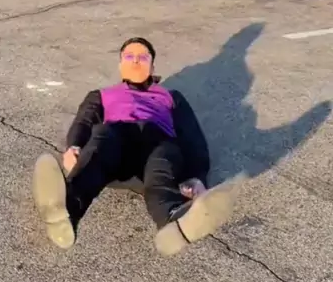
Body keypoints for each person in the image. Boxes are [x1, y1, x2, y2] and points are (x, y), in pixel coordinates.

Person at [33, 37, 240, 255]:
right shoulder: (101, 94)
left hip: (157, 145)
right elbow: (84, 121)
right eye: (129, 56)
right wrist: (74, 146)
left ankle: (174, 220)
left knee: (165, 156)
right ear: (120, 65)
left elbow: (192, 135)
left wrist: (197, 176)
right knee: (102, 135)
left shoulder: (171, 97)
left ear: (153, 66)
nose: (135, 61)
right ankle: (69, 206)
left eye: (143, 57)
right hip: (116, 145)